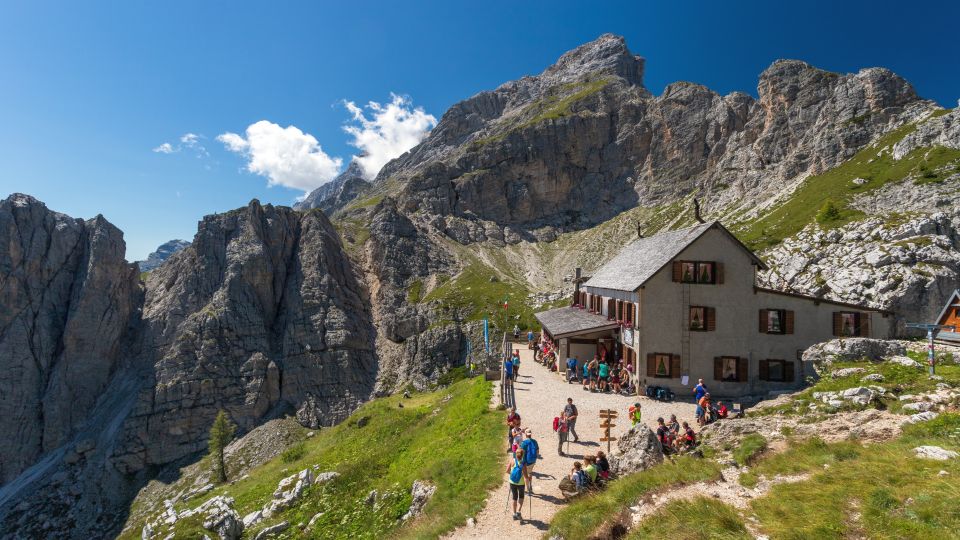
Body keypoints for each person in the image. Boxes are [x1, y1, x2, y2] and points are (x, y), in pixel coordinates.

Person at [507, 448, 531, 520]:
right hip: (520, 483)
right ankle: (518, 511)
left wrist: (512, 475)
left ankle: (514, 514)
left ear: (516, 454)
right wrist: (528, 487)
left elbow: (507, 471)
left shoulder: (512, 461)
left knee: (514, 497)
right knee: (521, 497)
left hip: (512, 482)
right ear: (522, 455)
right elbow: (526, 477)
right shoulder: (523, 464)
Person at [520, 429, 539, 493]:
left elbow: (520, 453)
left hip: (525, 462)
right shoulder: (535, 441)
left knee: (525, 476)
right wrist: (535, 458)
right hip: (532, 461)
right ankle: (530, 485)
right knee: (530, 473)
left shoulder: (524, 443)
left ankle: (528, 489)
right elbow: (537, 451)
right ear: (531, 434)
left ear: (525, 434)